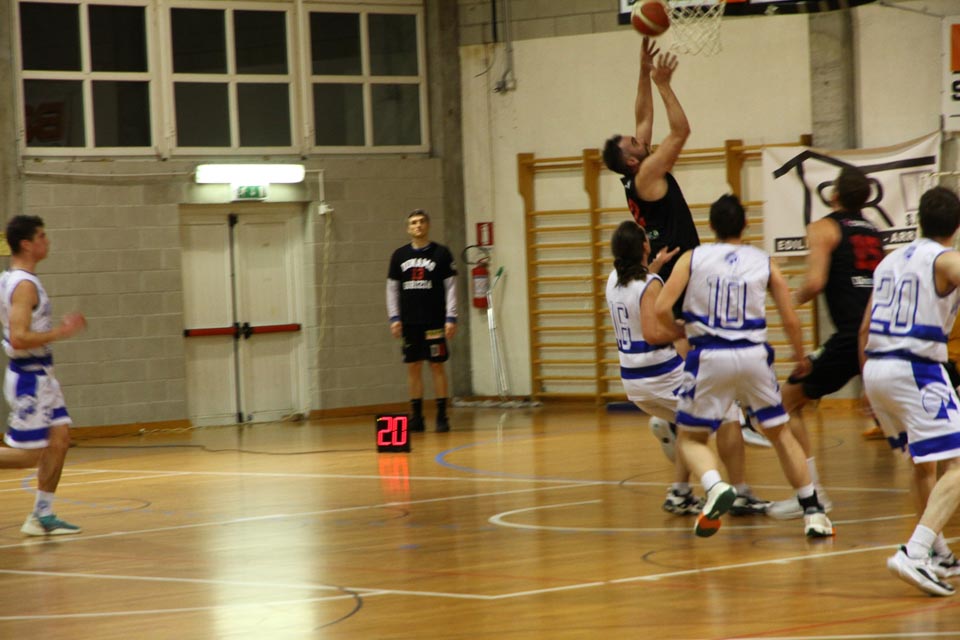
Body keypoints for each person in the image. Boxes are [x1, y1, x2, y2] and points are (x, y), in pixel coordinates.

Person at [602, 36, 769, 449]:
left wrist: (642, 72)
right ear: (633, 161)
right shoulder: (647, 174)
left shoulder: (635, 172)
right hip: (683, 264)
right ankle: (722, 413)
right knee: (700, 338)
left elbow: (643, 117)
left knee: (701, 337)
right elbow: (682, 130)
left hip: (675, 261)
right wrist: (663, 84)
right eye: (634, 143)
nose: (640, 138)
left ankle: (679, 422)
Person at [654, 194, 834, 538]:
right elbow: (790, 318)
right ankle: (813, 511)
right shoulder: (763, 261)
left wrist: (677, 329)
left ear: (711, 226)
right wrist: (800, 357)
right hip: (754, 356)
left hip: (710, 356)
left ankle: (715, 485)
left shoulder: (693, 257)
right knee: (780, 433)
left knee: (690, 437)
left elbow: (662, 307)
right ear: (745, 225)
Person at [605, 220, 769, 516]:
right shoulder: (650, 283)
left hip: (633, 381)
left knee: (688, 425)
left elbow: (638, 293)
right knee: (729, 411)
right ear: (644, 246)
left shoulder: (614, 277)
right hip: (660, 375)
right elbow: (653, 334)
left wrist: (655, 265)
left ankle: (679, 494)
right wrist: (686, 329)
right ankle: (739, 492)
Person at [767, 165, 884, 520]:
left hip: (851, 336)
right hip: (880, 332)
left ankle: (812, 495)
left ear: (833, 195)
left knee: (785, 403)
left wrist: (788, 298)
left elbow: (816, 282)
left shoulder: (823, 228)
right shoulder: (874, 232)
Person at [860, 186, 960, 597]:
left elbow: (865, 325)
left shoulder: (888, 261)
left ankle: (939, 552)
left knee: (925, 464)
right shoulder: (946, 258)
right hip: (915, 368)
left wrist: (866, 384)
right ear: (956, 226)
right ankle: (915, 552)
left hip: (876, 367)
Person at [0, 215, 86, 536]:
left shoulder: (13, 279)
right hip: (30, 378)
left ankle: (42, 515)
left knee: (59, 439)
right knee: (28, 455)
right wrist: (62, 332)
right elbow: (19, 338)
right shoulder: (24, 285)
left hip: (43, 376)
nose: (47, 241)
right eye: (41, 236)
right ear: (27, 244)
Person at [386, 209, 457, 433]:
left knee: (436, 365)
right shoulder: (399, 255)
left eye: (421, 221)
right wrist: (394, 317)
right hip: (410, 322)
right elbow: (392, 289)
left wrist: (451, 317)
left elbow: (451, 287)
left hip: (434, 321)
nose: (418, 225)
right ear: (408, 228)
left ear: (428, 225)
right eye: (413, 222)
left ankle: (442, 415)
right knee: (413, 366)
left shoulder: (441, 253)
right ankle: (416, 416)